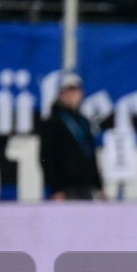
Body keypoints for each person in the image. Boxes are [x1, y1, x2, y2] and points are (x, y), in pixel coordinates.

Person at [39, 73, 104, 201]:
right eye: (67, 92)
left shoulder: (84, 121)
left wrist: (99, 186)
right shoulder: (52, 122)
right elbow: (46, 158)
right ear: (60, 94)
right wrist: (56, 188)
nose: (72, 96)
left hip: (86, 186)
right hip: (65, 188)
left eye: (75, 91)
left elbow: (91, 156)